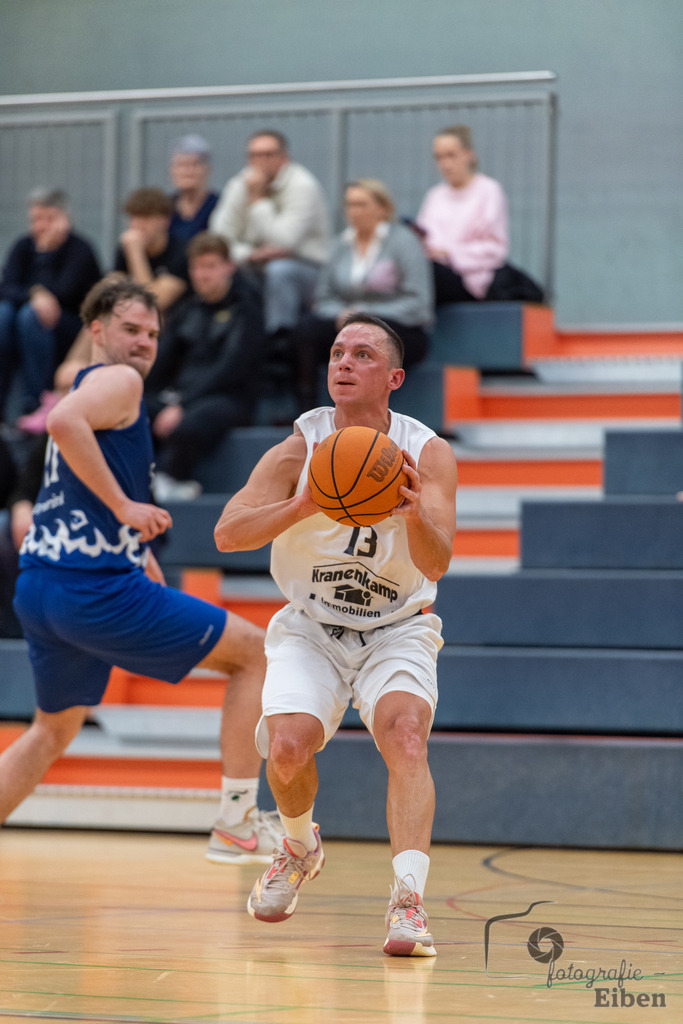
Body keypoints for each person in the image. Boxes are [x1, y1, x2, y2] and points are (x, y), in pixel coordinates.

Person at [1, 277, 283, 864]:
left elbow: (73, 479)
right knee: (254, 654)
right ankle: (237, 823)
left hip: (41, 589)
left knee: (51, 731)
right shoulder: (120, 383)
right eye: (131, 329)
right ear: (97, 330)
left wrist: (131, 539)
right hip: (94, 590)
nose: (145, 343)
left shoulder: (90, 385)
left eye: (153, 333)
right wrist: (128, 510)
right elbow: (61, 426)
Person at [214, 313, 458, 956]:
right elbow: (226, 534)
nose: (344, 363)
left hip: (397, 626)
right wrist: (301, 504)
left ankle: (408, 905)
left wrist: (410, 512)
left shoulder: (426, 453)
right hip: (311, 626)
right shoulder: (297, 448)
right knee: (288, 748)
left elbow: (437, 562)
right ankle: (297, 847)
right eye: (336, 352)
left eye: (362, 355)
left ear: (394, 377)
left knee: (406, 737)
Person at [291, 178, 432, 413]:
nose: (353, 211)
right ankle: (307, 411)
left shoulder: (404, 242)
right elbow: (323, 298)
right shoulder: (339, 245)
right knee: (305, 331)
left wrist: (365, 315)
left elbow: (418, 304)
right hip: (348, 323)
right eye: (349, 205)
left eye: (361, 204)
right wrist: (343, 315)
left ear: (382, 208)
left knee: (373, 344)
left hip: (399, 327)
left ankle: (370, 414)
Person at [145, 232, 265, 502]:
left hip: (230, 398)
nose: (203, 275)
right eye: (197, 267)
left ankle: (170, 479)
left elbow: (231, 368)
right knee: (132, 410)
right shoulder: (188, 310)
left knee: (190, 424)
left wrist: (183, 404)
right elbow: (162, 360)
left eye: (210, 266)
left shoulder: (247, 309)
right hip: (181, 398)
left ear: (229, 267)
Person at [209, 129, 330, 340]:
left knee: (279, 271)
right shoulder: (239, 184)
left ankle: (279, 342)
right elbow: (219, 236)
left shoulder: (303, 185)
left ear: (284, 158)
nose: (260, 161)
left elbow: (284, 240)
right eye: (254, 155)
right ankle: (223, 337)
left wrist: (257, 201)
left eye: (268, 155)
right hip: (254, 264)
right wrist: (248, 254)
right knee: (215, 268)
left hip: (307, 268)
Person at [0, 188, 101, 421]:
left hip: (70, 327)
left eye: (48, 219)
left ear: (64, 219)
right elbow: (6, 287)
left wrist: (46, 257)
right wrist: (35, 292)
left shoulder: (80, 249)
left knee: (30, 316)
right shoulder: (24, 246)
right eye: (36, 219)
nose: (41, 226)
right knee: (4, 314)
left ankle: (36, 400)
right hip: (23, 324)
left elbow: (64, 293)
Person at [416, 125, 544, 305]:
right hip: (434, 274)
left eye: (451, 155)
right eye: (439, 157)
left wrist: (449, 253)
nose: (445, 164)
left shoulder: (489, 190)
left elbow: (494, 250)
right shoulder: (434, 195)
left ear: (469, 154)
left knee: (429, 275)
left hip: (472, 282)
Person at [114, 188, 190, 313]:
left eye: (146, 217)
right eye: (134, 217)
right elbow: (113, 292)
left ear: (166, 220)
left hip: (173, 322)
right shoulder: (125, 248)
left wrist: (136, 253)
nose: (138, 225)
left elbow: (153, 303)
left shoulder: (181, 251)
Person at [168, 135, 219, 246]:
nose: (188, 171)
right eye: (181, 165)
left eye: (195, 164)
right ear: (172, 170)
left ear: (207, 170)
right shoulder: (164, 208)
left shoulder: (220, 205)